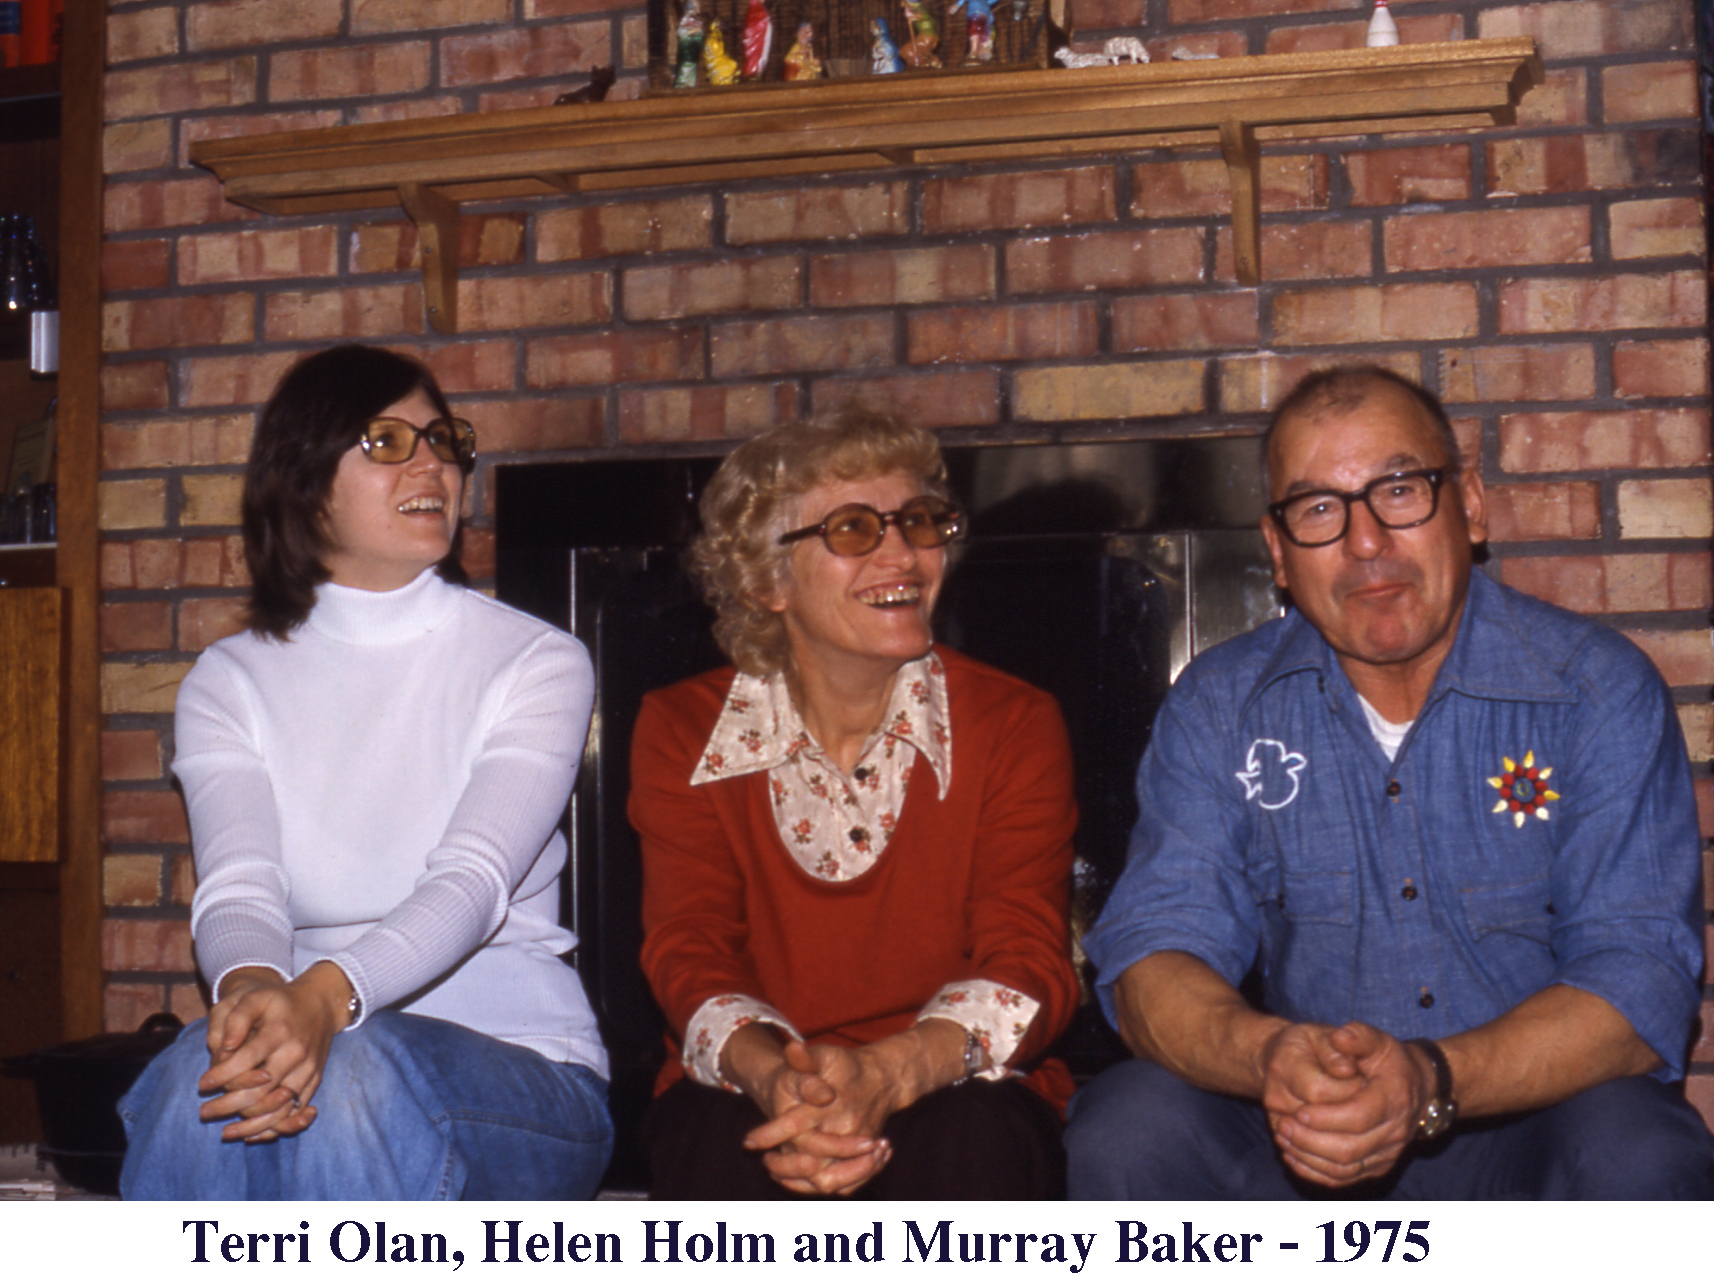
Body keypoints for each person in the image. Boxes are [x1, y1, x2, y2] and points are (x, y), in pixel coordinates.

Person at [1066, 365, 1713, 1199]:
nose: (1365, 541)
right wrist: (1268, 1056)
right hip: (1302, 1127)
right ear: (1278, 552)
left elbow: (1636, 978)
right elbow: (1155, 952)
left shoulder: (1596, 691)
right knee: (1130, 1120)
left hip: (1526, 1132)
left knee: (1639, 1144)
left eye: (1400, 489)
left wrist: (1430, 1077)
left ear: (1469, 504)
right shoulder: (1221, 706)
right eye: (1319, 509)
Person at [118, 345, 613, 1200]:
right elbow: (240, 889)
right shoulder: (230, 680)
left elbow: (475, 882)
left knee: (361, 1070)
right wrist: (255, 998)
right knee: (185, 1081)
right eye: (387, 441)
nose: (434, 463)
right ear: (306, 484)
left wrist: (327, 999)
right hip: (315, 1037)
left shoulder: (536, 659)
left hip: (525, 1075)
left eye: (443, 439)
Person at [631, 408, 1077, 1198]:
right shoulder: (681, 728)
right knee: (715, 1137)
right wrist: (778, 1081)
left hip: (951, 1077)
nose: (904, 554)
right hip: (758, 1080)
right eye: (853, 529)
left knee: (975, 1135)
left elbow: (1028, 957)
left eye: (920, 522)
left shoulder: (1014, 722)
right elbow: (688, 947)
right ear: (768, 579)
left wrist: (888, 1073)